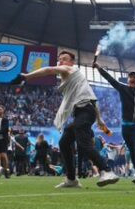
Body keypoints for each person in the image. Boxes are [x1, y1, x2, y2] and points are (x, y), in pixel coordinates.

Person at [15, 50, 118, 188]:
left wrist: (26, 76)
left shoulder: (70, 69)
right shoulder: (75, 80)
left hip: (85, 111)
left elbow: (49, 69)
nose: (61, 62)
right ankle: (71, 179)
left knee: (83, 142)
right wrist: (99, 120)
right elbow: (92, 98)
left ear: (72, 62)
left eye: (64, 59)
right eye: (59, 60)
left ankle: (106, 170)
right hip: (84, 111)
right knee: (64, 142)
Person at [94, 64, 135, 184]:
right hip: (126, 127)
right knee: (133, 151)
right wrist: (99, 68)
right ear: (128, 80)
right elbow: (110, 79)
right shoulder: (123, 88)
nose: (132, 79)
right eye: (130, 77)